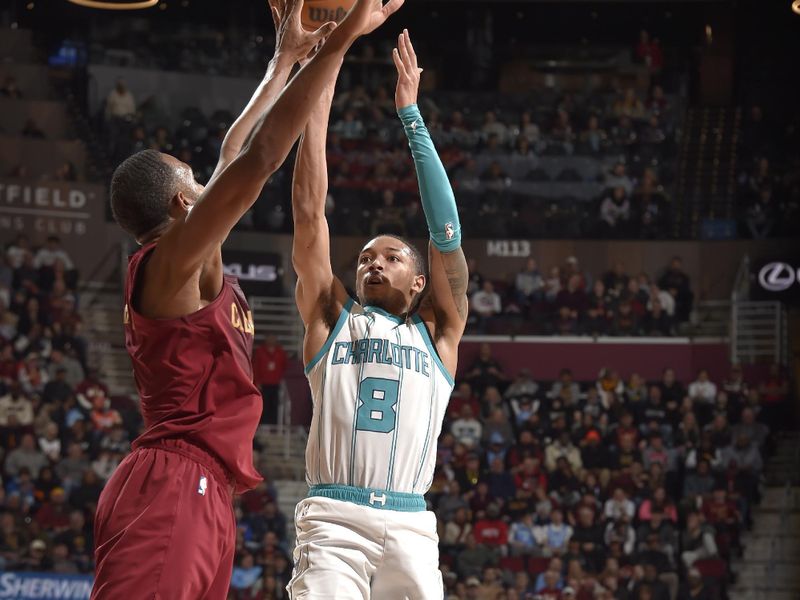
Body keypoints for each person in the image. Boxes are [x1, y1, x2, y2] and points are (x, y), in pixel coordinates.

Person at [90, 1, 401, 598]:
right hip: (170, 481)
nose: (208, 181)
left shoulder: (191, 257)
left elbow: (235, 153)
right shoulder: (167, 265)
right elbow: (257, 160)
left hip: (205, 489)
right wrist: (343, 38)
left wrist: (284, 57)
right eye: (194, 178)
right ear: (183, 204)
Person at [287, 31, 465, 599]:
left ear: (419, 280)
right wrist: (317, 98)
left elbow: (447, 234)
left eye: (390, 257)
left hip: (413, 525)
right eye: (364, 258)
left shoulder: (439, 331)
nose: (372, 263)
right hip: (334, 518)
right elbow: (311, 215)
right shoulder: (331, 313)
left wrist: (411, 115)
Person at [252, 334, 288, 424]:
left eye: (273, 338)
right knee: (264, 405)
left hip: (276, 383)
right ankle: (264, 424)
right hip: (263, 384)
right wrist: (257, 382)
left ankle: (274, 425)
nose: (271, 340)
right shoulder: (260, 351)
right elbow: (256, 367)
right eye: (269, 338)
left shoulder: (280, 352)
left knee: (275, 405)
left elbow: (285, 365)